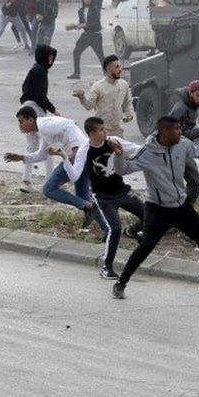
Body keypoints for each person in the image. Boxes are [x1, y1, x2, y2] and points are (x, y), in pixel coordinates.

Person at [108, 116, 199, 299]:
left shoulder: (183, 144)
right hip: (158, 209)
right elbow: (122, 170)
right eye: (176, 129)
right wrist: (118, 155)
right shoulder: (147, 153)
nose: (180, 133)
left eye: (180, 129)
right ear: (164, 132)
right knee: (146, 246)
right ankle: (121, 283)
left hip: (181, 206)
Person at [58, 117, 146, 279]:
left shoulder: (113, 141)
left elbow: (136, 149)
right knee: (115, 229)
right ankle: (107, 267)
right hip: (104, 198)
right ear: (92, 133)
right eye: (101, 130)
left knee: (149, 215)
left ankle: (133, 231)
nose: (105, 132)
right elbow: (75, 176)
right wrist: (64, 158)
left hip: (123, 191)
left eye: (105, 129)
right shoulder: (85, 150)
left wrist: (157, 150)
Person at [3, 107, 111, 237]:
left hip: (77, 156)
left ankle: (88, 207)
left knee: (48, 189)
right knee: (83, 197)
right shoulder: (43, 131)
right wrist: (21, 157)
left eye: (21, 121)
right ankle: (108, 229)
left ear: (31, 119)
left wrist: (75, 148)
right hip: (86, 156)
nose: (20, 125)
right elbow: (42, 155)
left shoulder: (44, 125)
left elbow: (69, 124)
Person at [19, 44, 60, 191]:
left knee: (32, 146)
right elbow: (40, 96)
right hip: (35, 109)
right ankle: (50, 180)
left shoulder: (35, 69)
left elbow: (25, 90)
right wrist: (54, 110)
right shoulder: (40, 71)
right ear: (42, 56)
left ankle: (26, 179)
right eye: (49, 56)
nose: (51, 59)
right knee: (47, 146)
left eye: (52, 57)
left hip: (25, 109)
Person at [73, 55, 133, 137]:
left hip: (117, 130)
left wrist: (128, 114)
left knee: (123, 149)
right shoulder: (98, 86)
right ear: (108, 68)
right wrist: (82, 97)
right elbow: (89, 106)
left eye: (120, 66)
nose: (120, 69)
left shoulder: (123, 84)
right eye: (117, 67)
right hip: (101, 130)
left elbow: (127, 102)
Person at [66, 0, 105, 79]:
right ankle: (77, 73)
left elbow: (96, 23)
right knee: (76, 52)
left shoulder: (95, 9)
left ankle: (107, 73)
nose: (87, 1)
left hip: (95, 35)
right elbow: (81, 23)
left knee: (100, 55)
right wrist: (75, 26)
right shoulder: (81, 10)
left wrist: (85, 25)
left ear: (91, 0)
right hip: (86, 35)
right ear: (83, 0)